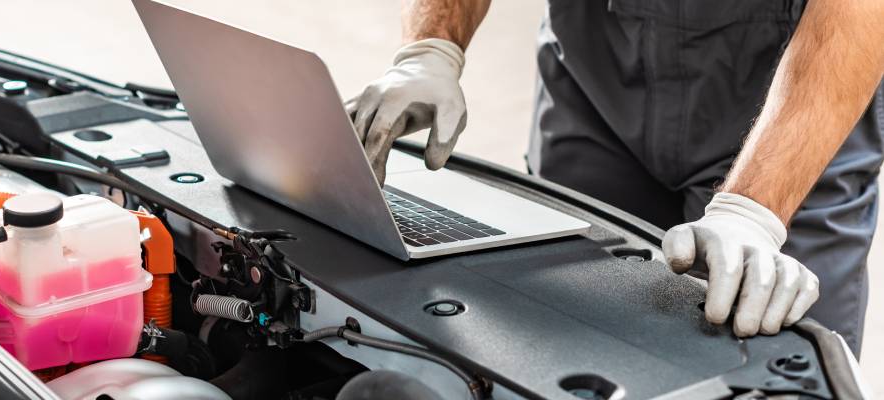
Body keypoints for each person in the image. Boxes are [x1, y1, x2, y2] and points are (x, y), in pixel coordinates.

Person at [346, 0, 884, 355]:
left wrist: (754, 212)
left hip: (795, 87)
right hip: (596, 70)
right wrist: (431, 48)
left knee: (768, 356)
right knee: (554, 335)